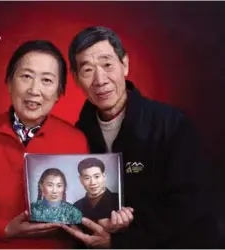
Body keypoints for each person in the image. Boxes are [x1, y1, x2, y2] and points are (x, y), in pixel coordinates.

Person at [61, 26, 221, 248]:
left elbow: (188, 205)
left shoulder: (172, 125)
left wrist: (120, 241)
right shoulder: (78, 135)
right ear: (76, 79)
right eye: (87, 70)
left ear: (124, 64)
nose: (100, 80)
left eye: (107, 64)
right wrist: (103, 226)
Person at [0, 40, 91, 249]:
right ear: (9, 83)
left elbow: (81, 210)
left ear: (59, 93)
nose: (34, 89)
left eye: (47, 80)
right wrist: (4, 229)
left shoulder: (75, 140)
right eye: (26, 76)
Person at [74, 157, 119, 221]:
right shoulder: (75, 207)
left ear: (104, 176)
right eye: (87, 178)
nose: (93, 183)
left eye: (97, 176)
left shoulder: (118, 199)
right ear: (81, 180)